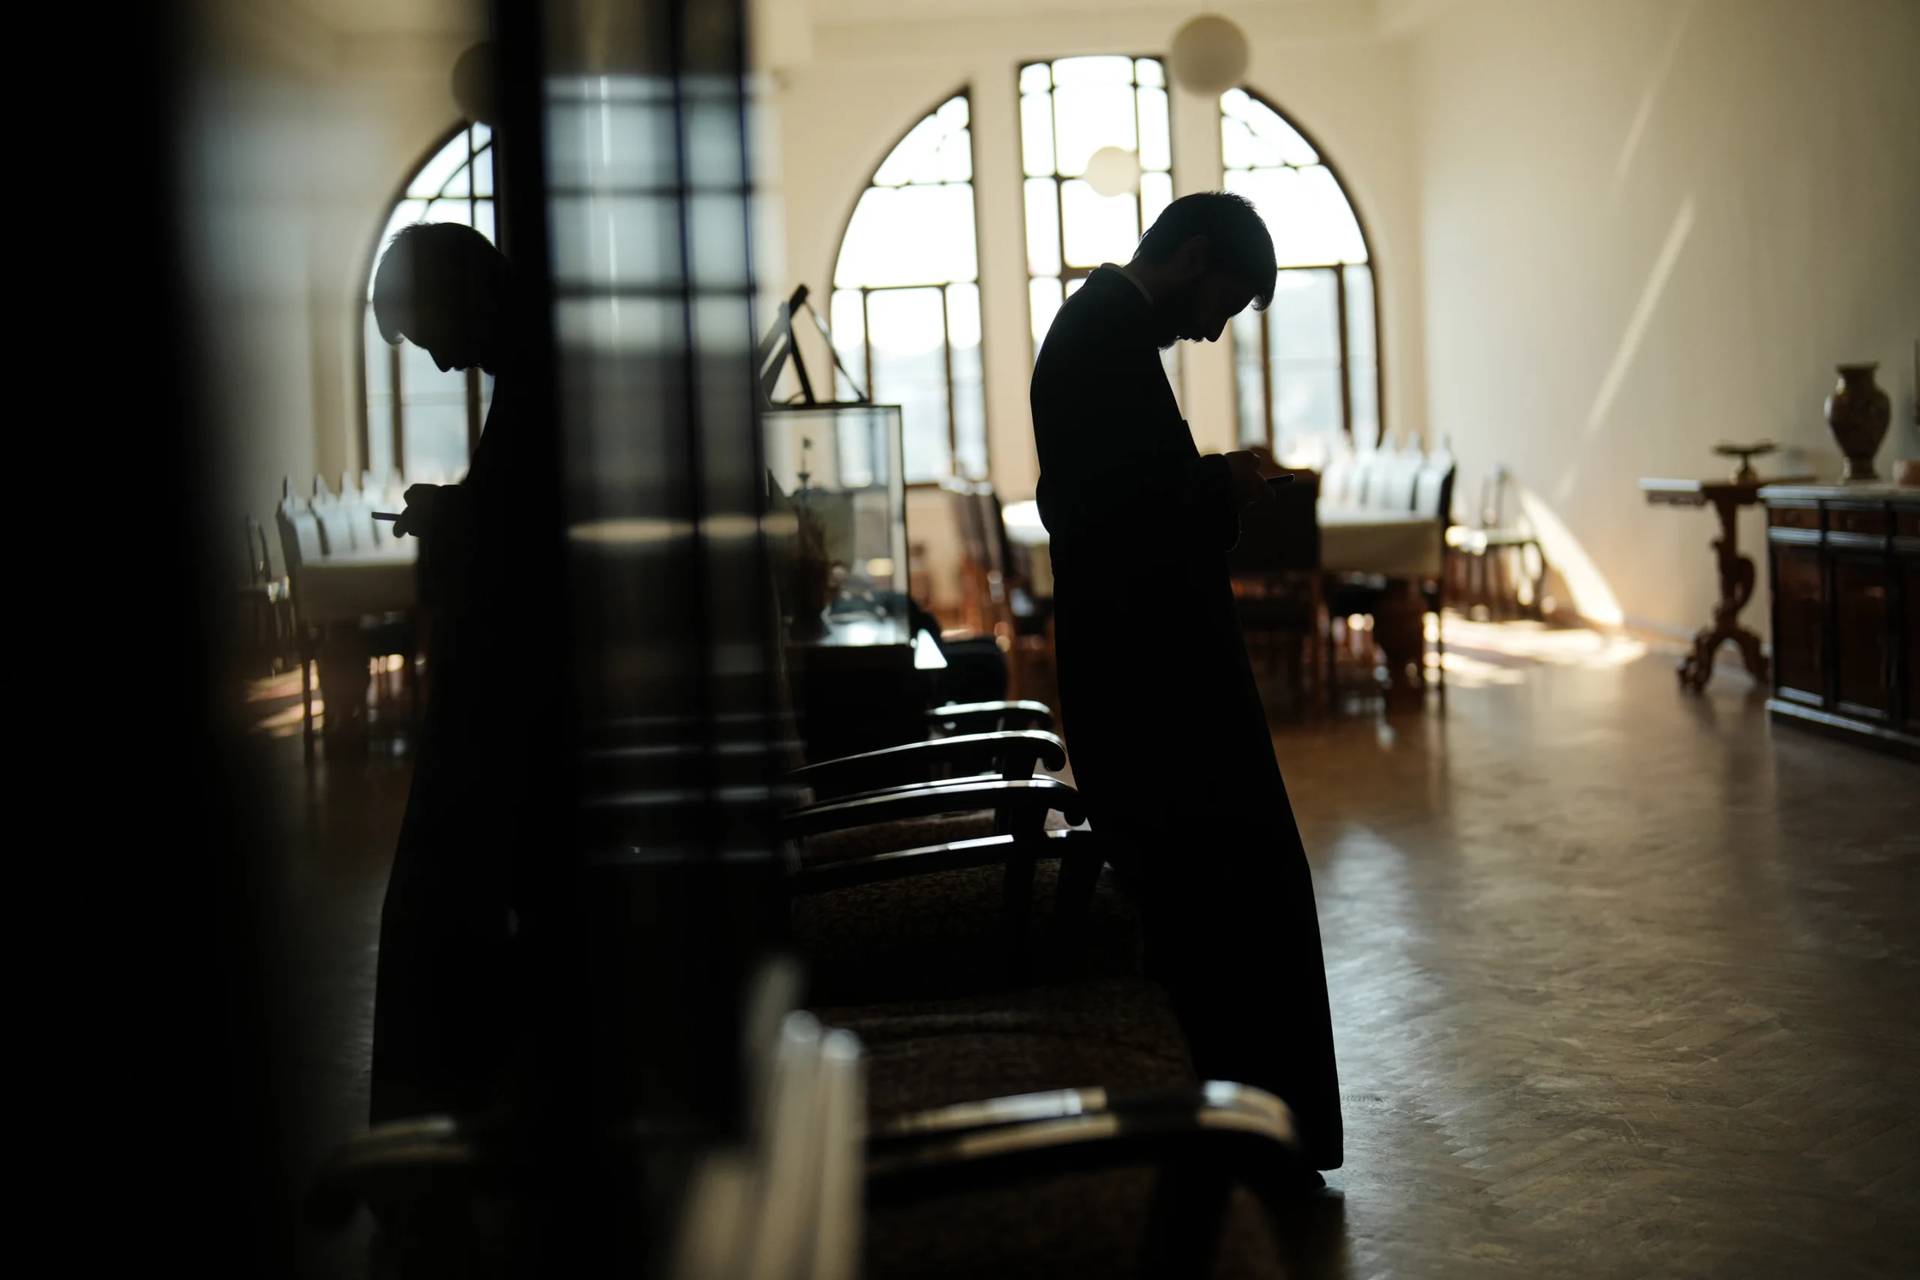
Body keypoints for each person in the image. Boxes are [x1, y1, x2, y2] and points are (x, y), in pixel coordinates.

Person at [1030, 192, 1343, 1172]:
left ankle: (1231, 1122)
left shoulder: (1101, 329)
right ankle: (1247, 1131)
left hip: (1142, 670)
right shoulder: (1109, 335)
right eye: (1224, 300)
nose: (1214, 328)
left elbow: (1106, 496)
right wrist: (1222, 486)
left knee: (1215, 900)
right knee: (1234, 894)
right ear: (1192, 254)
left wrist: (1203, 481)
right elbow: (1129, 520)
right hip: (1161, 686)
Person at [367, 222, 561, 1124]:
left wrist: (455, 523)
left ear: (459, 295)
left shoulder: (543, 375)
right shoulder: (542, 365)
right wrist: (460, 512)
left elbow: (537, 550)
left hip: (515, 705)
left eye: (429, 334)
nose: (442, 364)